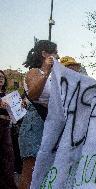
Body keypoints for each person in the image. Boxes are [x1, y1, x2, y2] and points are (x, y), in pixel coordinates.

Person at [19, 40, 58, 189]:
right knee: (30, 170)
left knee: (46, 169)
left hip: (50, 122)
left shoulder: (55, 76)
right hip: (35, 123)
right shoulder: (34, 72)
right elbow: (33, 94)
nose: (57, 55)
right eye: (54, 52)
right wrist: (46, 71)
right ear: (44, 54)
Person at [0, 70, 18, 189]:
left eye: (2, 77)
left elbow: (16, 113)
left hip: (6, 126)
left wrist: (20, 106)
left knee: (8, 157)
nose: (1, 78)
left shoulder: (7, 95)